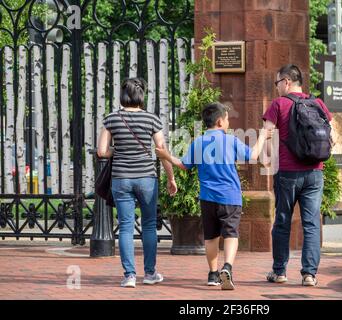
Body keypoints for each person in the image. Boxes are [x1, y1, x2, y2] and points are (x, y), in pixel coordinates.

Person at [156, 102, 272, 290]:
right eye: (227, 119)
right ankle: (227, 267)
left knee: (211, 237)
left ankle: (212, 274)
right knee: (231, 234)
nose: (228, 122)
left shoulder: (199, 142)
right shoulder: (230, 140)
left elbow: (184, 165)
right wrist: (262, 137)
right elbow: (253, 156)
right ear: (219, 121)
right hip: (230, 197)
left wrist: (166, 156)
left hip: (207, 198)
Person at [97, 77, 177, 288]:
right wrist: (171, 177)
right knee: (149, 225)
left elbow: (102, 152)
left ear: (123, 94)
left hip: (121, 178)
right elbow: (162, 152)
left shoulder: (111, 119)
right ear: (142, 95)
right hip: (146, 178)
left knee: (125, 226)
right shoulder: (152, 119)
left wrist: (119, 150)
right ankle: (149, 274)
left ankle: (129, 276)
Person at [263, 64, 333, 287]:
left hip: (288, 173)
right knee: (311, 223)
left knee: (282, 220)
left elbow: (266, 134)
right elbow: (333, 138)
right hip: (315, 172)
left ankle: (279, 271)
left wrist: (262, 156)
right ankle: (309, 274)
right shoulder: (318, 103)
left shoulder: (278, 104)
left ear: (286, 82)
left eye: (277, 83)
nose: (276, 88)